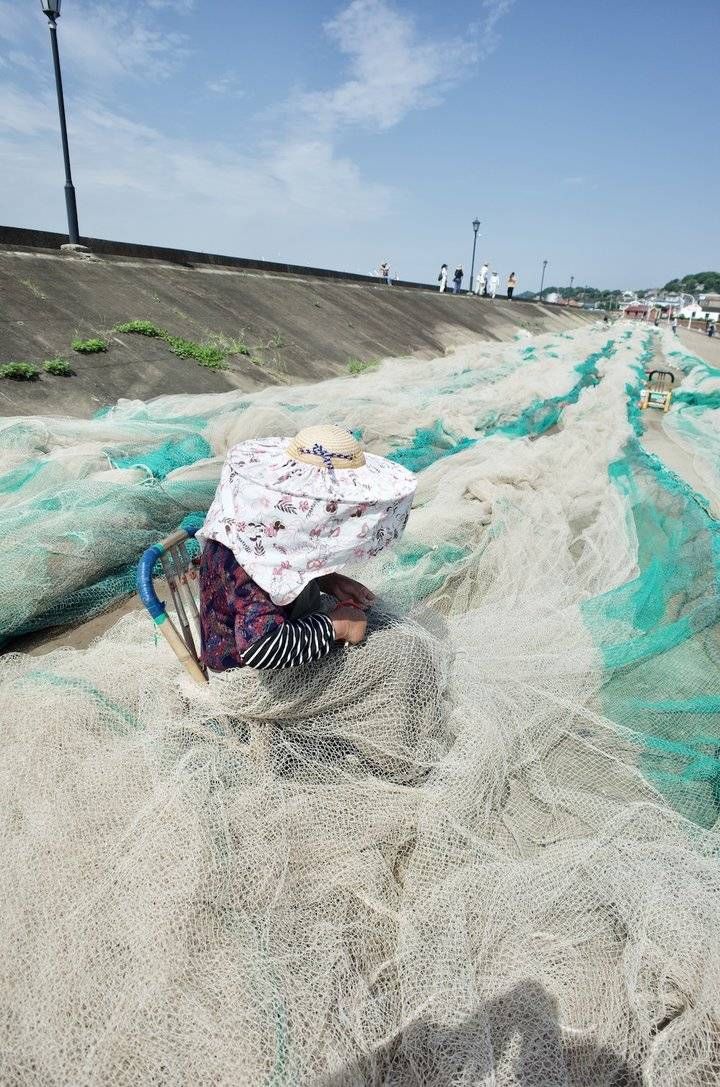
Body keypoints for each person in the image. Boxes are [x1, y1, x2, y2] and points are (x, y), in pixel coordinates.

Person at [197, 425, 416, 673]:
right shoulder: (252, 563)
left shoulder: (260, 523)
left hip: (278, 626)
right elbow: (261, 649)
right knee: (390, 666)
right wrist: (337, 626)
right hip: (243, 673)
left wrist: (327, 580)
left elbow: (288, 554)